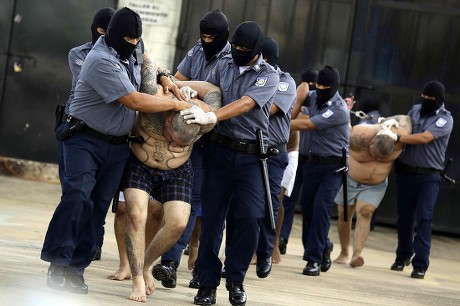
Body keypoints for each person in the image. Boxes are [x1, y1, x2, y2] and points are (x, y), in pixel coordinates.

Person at [40, 7, 190, 295]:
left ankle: (76, 269)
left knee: (97, 207)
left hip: (117, 146)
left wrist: (166, 78)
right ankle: (58, 264)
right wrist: (175, 104)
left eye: (137, 39)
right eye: (129, 40)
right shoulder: (98, 60)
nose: (134, 44)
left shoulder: (132, 47)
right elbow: (134, 101)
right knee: (78, 196)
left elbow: (148, 62)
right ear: (110, 35)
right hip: (84, 139)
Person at [180, 21, 279, 306]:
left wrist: (213, 116)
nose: (237, 52)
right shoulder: (224, 64)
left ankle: (235, 280)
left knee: (248, 218)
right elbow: (211, 88)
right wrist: (188, 90)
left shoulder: (268, 76)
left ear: (257, 51)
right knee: (212, 220)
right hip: (219, 153)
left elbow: (246, 104)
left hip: (250, 157)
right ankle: (207, 284)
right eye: (234, 46)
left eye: (244, 49)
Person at [122, 52, 222, 302]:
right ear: (168, 120)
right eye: (170, 137)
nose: (171, 143)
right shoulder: (154, 96)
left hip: (177, 171)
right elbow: (147, 57)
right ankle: (136, 281)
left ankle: (144, 266)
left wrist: (184, 87)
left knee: (177, 223)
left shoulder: (204, 115)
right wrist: (168, 80)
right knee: (135, 216)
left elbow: (214, 90)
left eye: (180, 143)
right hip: (141, 164)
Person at [152, 9, 231, 290]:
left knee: (210, 209)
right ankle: (170, 262)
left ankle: (200, 266)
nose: (207, 40)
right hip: (188, 137)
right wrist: (182, 89)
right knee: (186, 199)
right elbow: (175, 78)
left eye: (213, 37)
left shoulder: (233, 59)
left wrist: (189, 89)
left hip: (217, 138)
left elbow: (218, 94)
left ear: (224, 37)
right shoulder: (197, 50)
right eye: (204, 35)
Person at [54, 7, 116, 261]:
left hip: (109, 134)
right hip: (75, 128)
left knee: (98, 199)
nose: (102, 37)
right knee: (74, 193)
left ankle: (91, 244)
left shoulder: (131, 55)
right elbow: (98, 87)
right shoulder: (79, 54)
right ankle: (64, 250)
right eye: (100, 31)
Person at [389, 81, 453, 279]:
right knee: (404, 218)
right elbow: (404, 125)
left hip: (429, 176)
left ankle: (420, 264)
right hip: (406, 172)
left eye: (430, 99)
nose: (425, 101)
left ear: (439, 100)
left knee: (424, 218)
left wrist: (396, 138)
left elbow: (424, 138)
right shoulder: (415, 110)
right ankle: (402, 257)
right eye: (424, 97)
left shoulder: (445, 119)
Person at [290, 65, 350, 276]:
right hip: (313, 164)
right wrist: (301, 91)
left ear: (334, 87)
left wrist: (279, 125)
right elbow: (296, 97)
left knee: (320, 207)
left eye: (326, 87)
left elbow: (307, 125)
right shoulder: (314, 95)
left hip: (333, 167)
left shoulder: (339, 109)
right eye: (319, 85)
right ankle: (323, 245)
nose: (321, 89)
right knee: (307, 207)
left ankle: (313, 259)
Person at [332, 115, 412, 267]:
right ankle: (344, 252)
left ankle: (357, 255)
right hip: (350, 179)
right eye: (373, 153)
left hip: (375, 184)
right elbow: (341, 137)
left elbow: (405, 117)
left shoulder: (401, 136)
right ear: (372, 141)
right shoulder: (360, 134)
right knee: (344, 214)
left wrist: (390, 119)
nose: (375, 158)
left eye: (381, 157)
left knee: (366, 212)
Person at [254, 36, 296, 277]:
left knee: (269, 205)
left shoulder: (284, 83)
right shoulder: (251, 77)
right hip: (249, 150)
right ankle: (243, 252)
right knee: (245, 208)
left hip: (272, 152)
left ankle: (265, 253)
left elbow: (267, 109)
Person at [278, 67, 318, 255]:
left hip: (308, 158)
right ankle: (282, 239)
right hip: (297, 155)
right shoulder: (295, 98)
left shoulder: (318, 104)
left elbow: (303, 121)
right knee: (286, 200)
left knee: (311, 204)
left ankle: (318, 244)